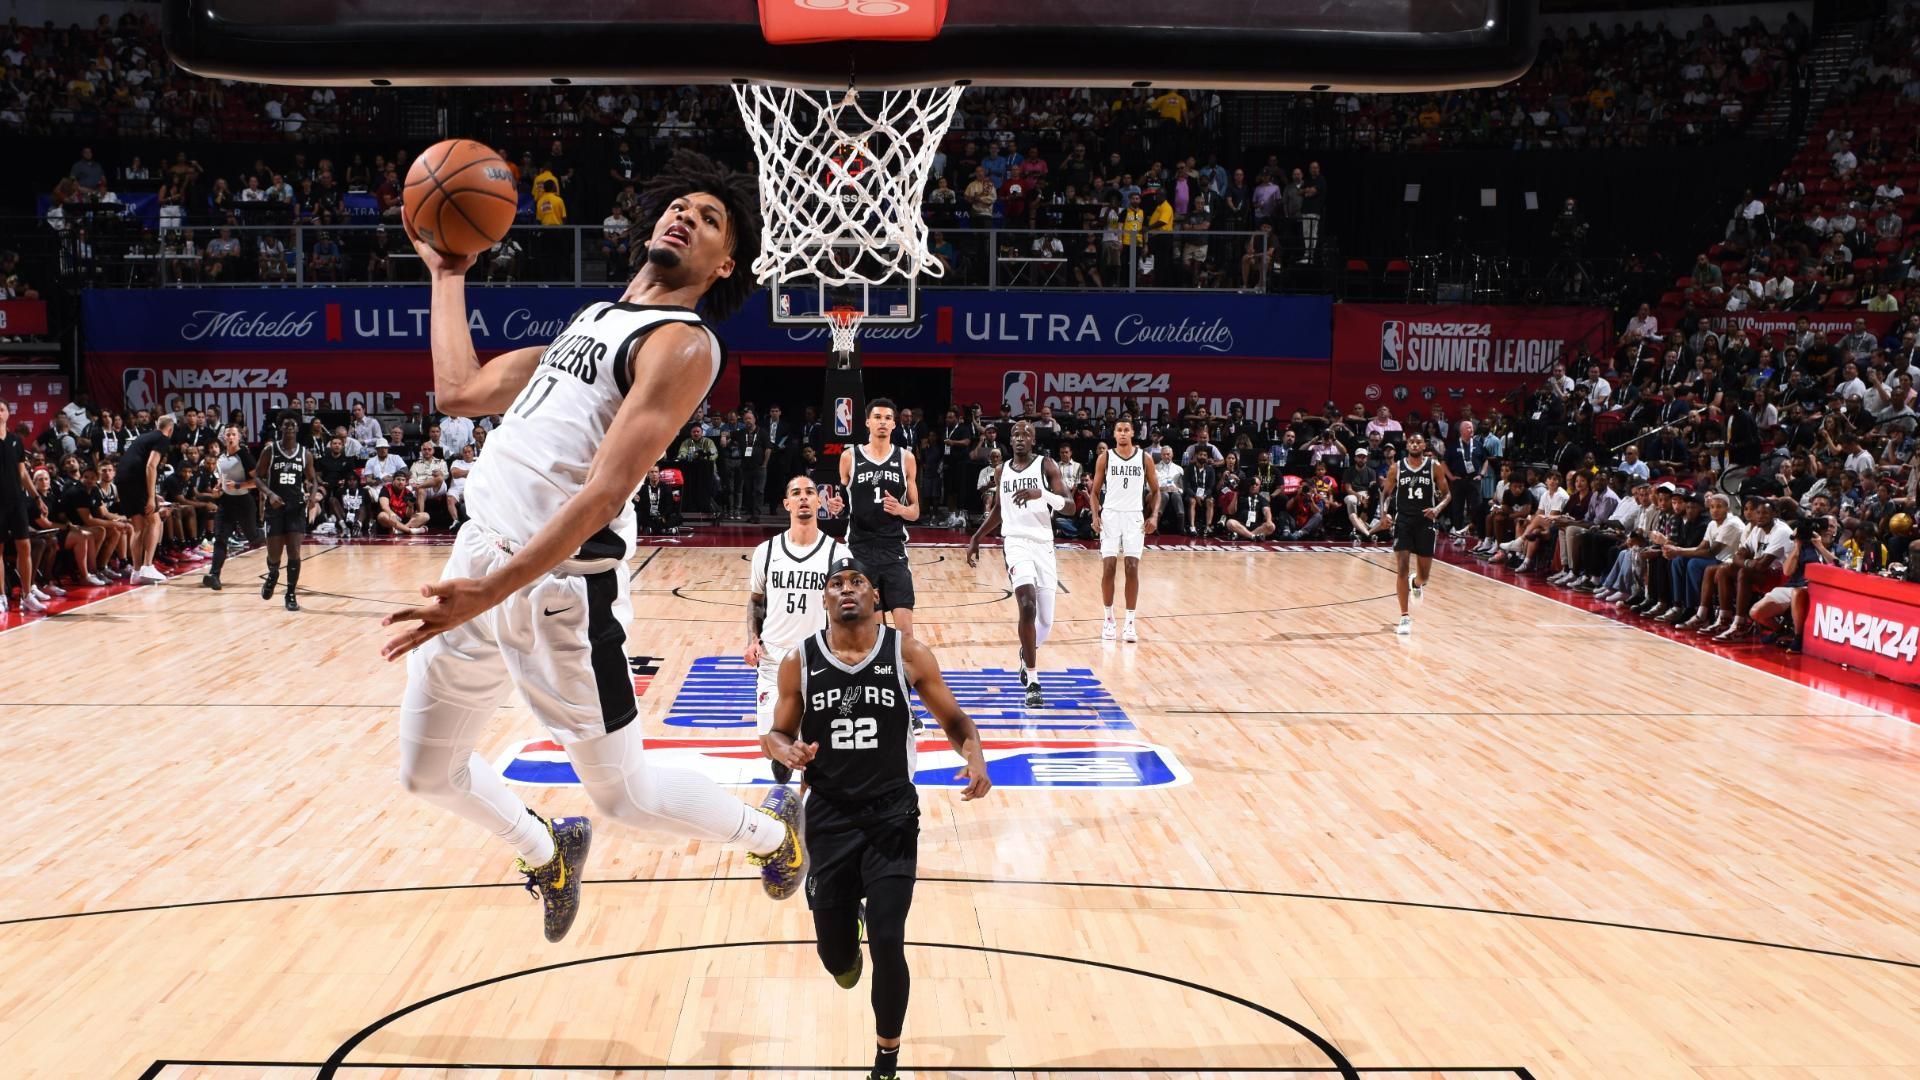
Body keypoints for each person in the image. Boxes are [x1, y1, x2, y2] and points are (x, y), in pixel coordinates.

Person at [379, 150, 802, 943]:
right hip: (479, 563)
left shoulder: (683, 343)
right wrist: (446, 272)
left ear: (724, 263)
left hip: (555, 595)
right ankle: (546, 851)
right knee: (427, 773)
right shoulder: (592, 320)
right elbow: (460, 392)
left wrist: (493, 588)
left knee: (624, 796)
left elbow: (603, 494)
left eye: (710, 218)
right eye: (680, 204)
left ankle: (774, 835)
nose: (687, 215)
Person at [763, 557, 990, 1080]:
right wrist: (786, 750)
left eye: (857, 582)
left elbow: (955, 719)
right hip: (829, 817)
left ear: (875, 597)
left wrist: (974, 754)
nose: (846, 590)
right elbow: (775, 736)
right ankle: (844, 933)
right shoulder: (799, 661)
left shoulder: (907, 652)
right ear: (823, 600)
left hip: (891, 816)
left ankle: (886, 1057)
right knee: (839, 963)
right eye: (835, 584)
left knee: (889, 938)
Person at [746, 474, 844, 783]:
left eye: (810, 492)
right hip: (773, 659)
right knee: (768, 746)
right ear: (787, 503)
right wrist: (752, 639)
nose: (804, 497)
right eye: (796, 493)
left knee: (815, 750)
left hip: (815, 662)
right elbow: (756, 601)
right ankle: (785, 753)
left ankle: (808, 809)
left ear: (819, 502)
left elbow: (845, 613)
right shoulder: (767, 551)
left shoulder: (837, 554)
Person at [966, 420, 1071, 707]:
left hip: (1043, 545)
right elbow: (1000, 510)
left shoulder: (1046, 465)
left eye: (1026, 433)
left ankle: (1026, 655)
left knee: (1046, 621)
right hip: (1015, 543)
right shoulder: (1002, 470)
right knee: (1027, 604)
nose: (1020, 438)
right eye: (1015, 434)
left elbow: (1071, 506)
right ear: (1009, 441)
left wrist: (1043, 494)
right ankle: (1034, 681)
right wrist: (976, 537)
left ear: (1033, 439)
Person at [839, 398, 921, 636]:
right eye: (877, 417)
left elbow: (915, 512)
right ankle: (879, 673)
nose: (882, 422)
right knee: (874, 631)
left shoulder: (906, 458)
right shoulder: (849, 457)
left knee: (905, 631)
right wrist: (836, 507)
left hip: (893, 548)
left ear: (894, 424)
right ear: (868, 422)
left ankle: (905, 673)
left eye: (887, 418)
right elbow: (842, 504)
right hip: (860, 548)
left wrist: (901, 509)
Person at [1087, 416, 1158, 642]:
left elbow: (1156, 491)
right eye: (1119, 430)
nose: (1123, 433)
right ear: (1114, 434)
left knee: (1132, 568)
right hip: (1111, 515)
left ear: (1133, 433)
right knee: (1109, 568)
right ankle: (1108, 619)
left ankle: (1129, 622)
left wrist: (1154, 515)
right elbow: (1095, 492)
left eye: (1127, 430)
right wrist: (1096, 515)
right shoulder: (1105, 458)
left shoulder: (1144, 458)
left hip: (1134, 516)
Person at [1382, 431, 1450, 635]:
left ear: (1423, 446)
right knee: (1401, 568)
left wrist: (1437, 509)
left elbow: (1447, 495)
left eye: (1417, 442)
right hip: (1403, 521)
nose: (1413, 444)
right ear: (1407, 445)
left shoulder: (1434, 467)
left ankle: (1416, 583)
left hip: (1425, 523)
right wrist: (1384, 513)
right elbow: (1385, 494)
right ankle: (1404, 616)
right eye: (1411, 441)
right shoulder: (1397, 467)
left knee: (1424, 576)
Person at [259, 414, 316, 611]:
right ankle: (273, 573)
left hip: (296, 507)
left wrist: (312, 496)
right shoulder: (270, 450)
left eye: (293, 424)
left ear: (298, 429)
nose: (290, 427)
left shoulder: (305, 454)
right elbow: (257, 476)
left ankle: (290, 594)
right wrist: (269, 494)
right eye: (286, 424)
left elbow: (312, 479)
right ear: (281, 428)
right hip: (275, 506)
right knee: (274, 555)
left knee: (294, 551)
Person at [113, 412, 174, 585]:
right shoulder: (163, 438)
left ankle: (136, 571)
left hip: (122, 480)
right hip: (135, 481)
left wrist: (152, 494)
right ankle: (148, 566)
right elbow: (151, 466)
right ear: (170, 429)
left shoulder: (144, 437)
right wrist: (150, 497)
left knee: (138, 526)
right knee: (155, 521)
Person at [202, 425, 263, 591]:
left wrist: (239, 485)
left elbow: (258, 481)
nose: (230, 437)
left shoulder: (244, 455)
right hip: (226, 503)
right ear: (223, 437)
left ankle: (268, 536)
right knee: (220, 539)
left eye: (233, 434)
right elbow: (222, 480)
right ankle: (214, 575)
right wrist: (217, 489)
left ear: (239, 437)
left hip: (244, 502)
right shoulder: (221, 458)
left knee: (254, 539)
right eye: (227, 434)